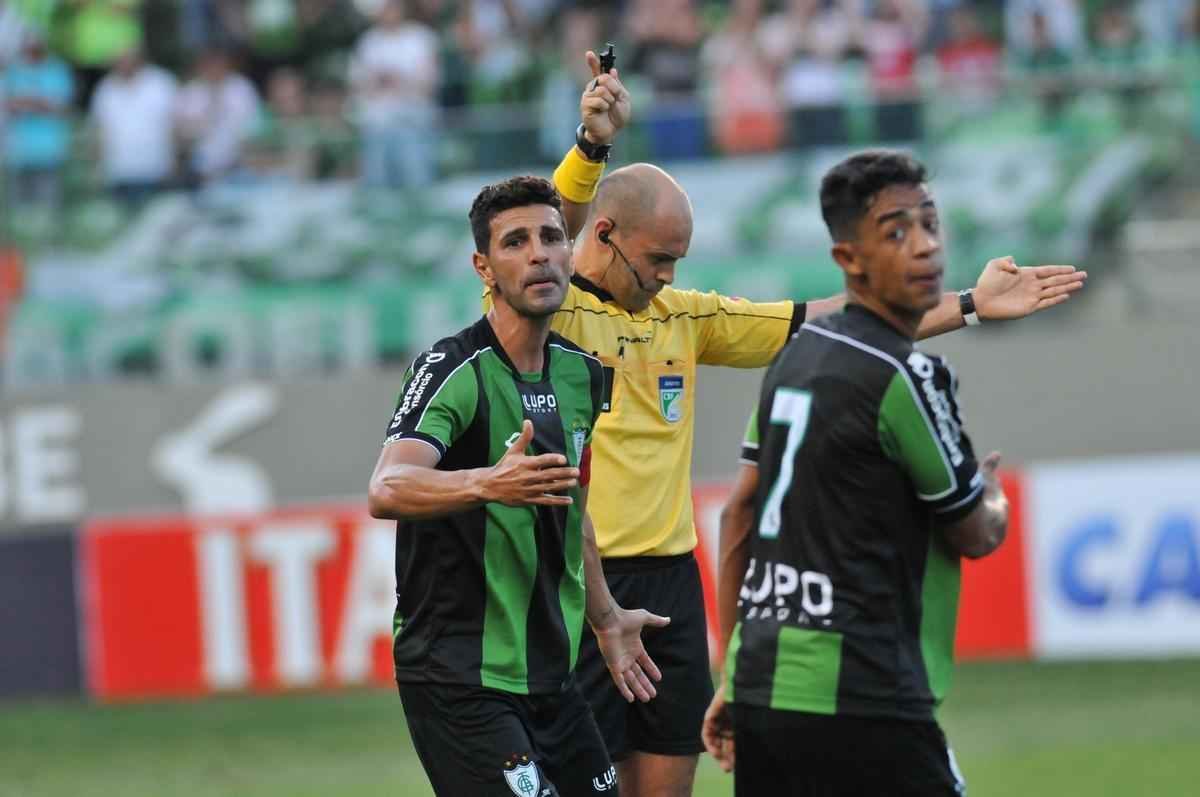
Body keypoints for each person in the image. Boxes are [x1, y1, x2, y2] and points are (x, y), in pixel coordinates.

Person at [505, 50, 1087, 797]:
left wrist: (970, 304)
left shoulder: (686, 317)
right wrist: (591, 146)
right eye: (659, 259)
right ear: (607, 233)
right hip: (584, 585)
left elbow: (837, 322)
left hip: (673, 581)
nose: (669, 276)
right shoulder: (553, 312)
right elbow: (545, 232)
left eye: (678, 261)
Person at [701, 150, 1013, 794]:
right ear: (849, 258)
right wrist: (992, 499)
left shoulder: (794, 358)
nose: (925, 245)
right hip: (864, 690)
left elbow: (738, 514)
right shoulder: (908, 375)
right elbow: (973, 532)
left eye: (930, 224)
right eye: (896, 232)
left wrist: (732, 672)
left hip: (762, 685)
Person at [367, 175, 669, 796]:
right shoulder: (453, 369)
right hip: (458, 674)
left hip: (552, 674)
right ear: (484, 267)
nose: (539, 254)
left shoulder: (582, 375)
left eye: (552, 237)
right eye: (515, 242)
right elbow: (388, 487)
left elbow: (571, 506)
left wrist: (606, 617)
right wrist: (486, 483)